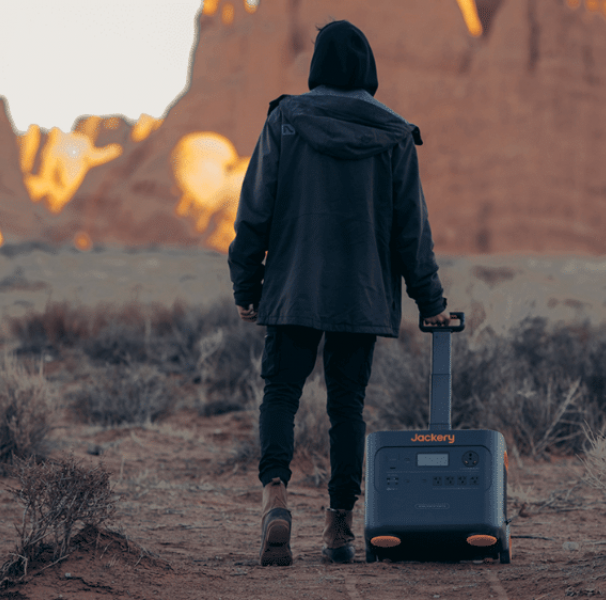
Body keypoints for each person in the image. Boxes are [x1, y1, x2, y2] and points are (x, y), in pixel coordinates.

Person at [227, 19, 450, 566]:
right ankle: (338, 526)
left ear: (317, 66)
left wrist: (246, 282)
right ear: (368, 70)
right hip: (361, 291)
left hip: (294, 284)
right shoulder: (395, 134)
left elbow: (254, 208)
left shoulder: (285, 120)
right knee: (347, 406)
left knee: (281, 393)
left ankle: (276, 498)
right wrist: (431, 300)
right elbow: (410, 229)